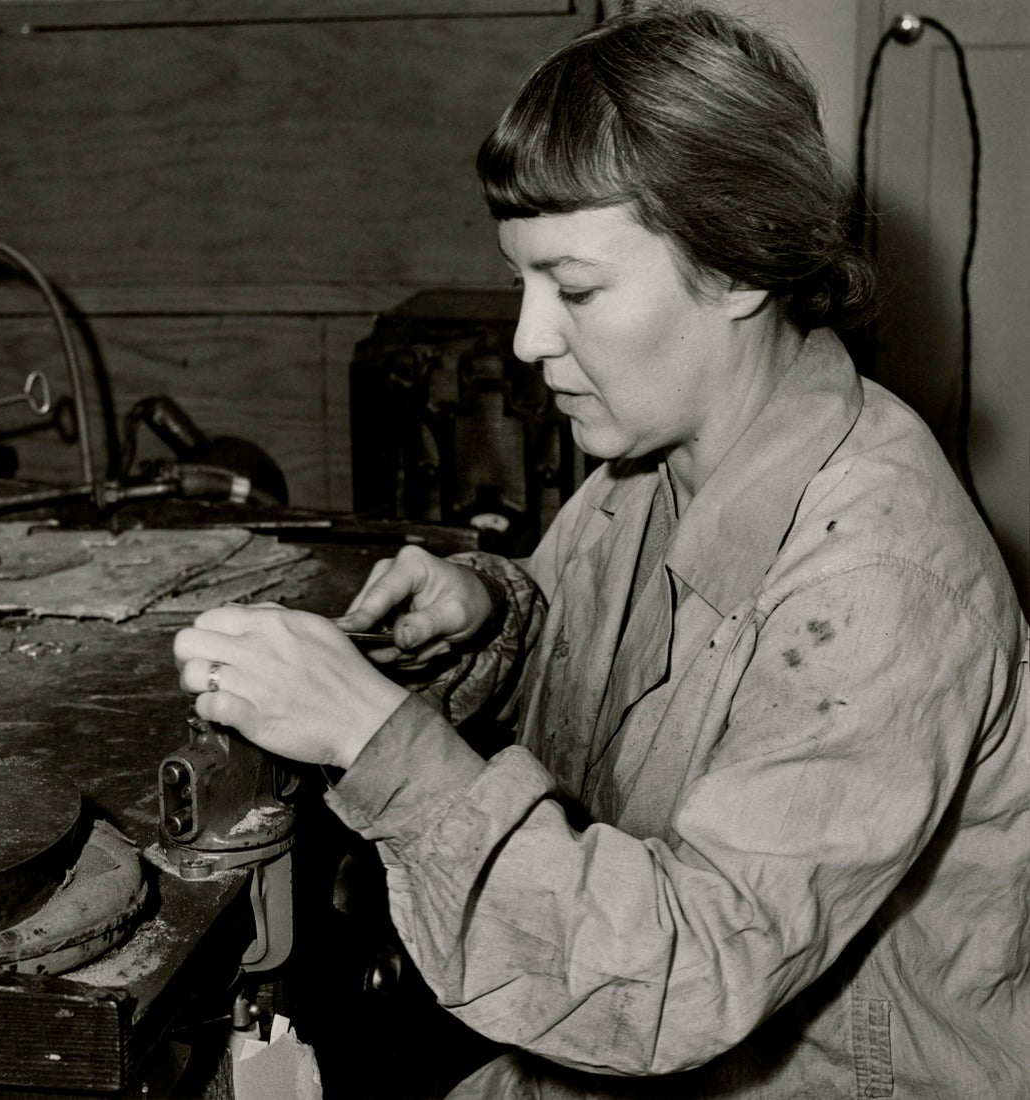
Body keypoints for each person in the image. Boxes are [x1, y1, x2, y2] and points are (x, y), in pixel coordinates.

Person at [172, 4, 1029, 1097]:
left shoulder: (879, 584)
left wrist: (373, 734)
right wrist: (493, 610)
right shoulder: (654, 464)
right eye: (524, 281)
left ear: (739, 268)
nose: (530, 338)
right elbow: (612, 671)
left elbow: (676, 975)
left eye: (574, 288)